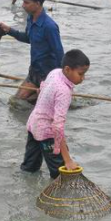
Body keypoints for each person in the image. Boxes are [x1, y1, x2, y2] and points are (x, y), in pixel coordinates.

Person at [20, 49, 88, 178]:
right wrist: (67, 159)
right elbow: (57, 127)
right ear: (67, 69)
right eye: (80, 74)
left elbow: (41, 89)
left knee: (29, 168)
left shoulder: (55, 72)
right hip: (47, 134)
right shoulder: (64, 91)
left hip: (33, 125)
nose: (83, 78)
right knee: (61, 173)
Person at [0, 0, 64, 102]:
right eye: (23, 1)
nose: (23, 5)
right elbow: (29, 38)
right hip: (34, 71)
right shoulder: (30, 18)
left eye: (26, 2)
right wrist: (9, 30)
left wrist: (61, 80)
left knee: (40, 103)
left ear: (38, 4)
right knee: (16, 101)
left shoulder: (50, 27)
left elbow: (59, 53)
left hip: (48, 74)